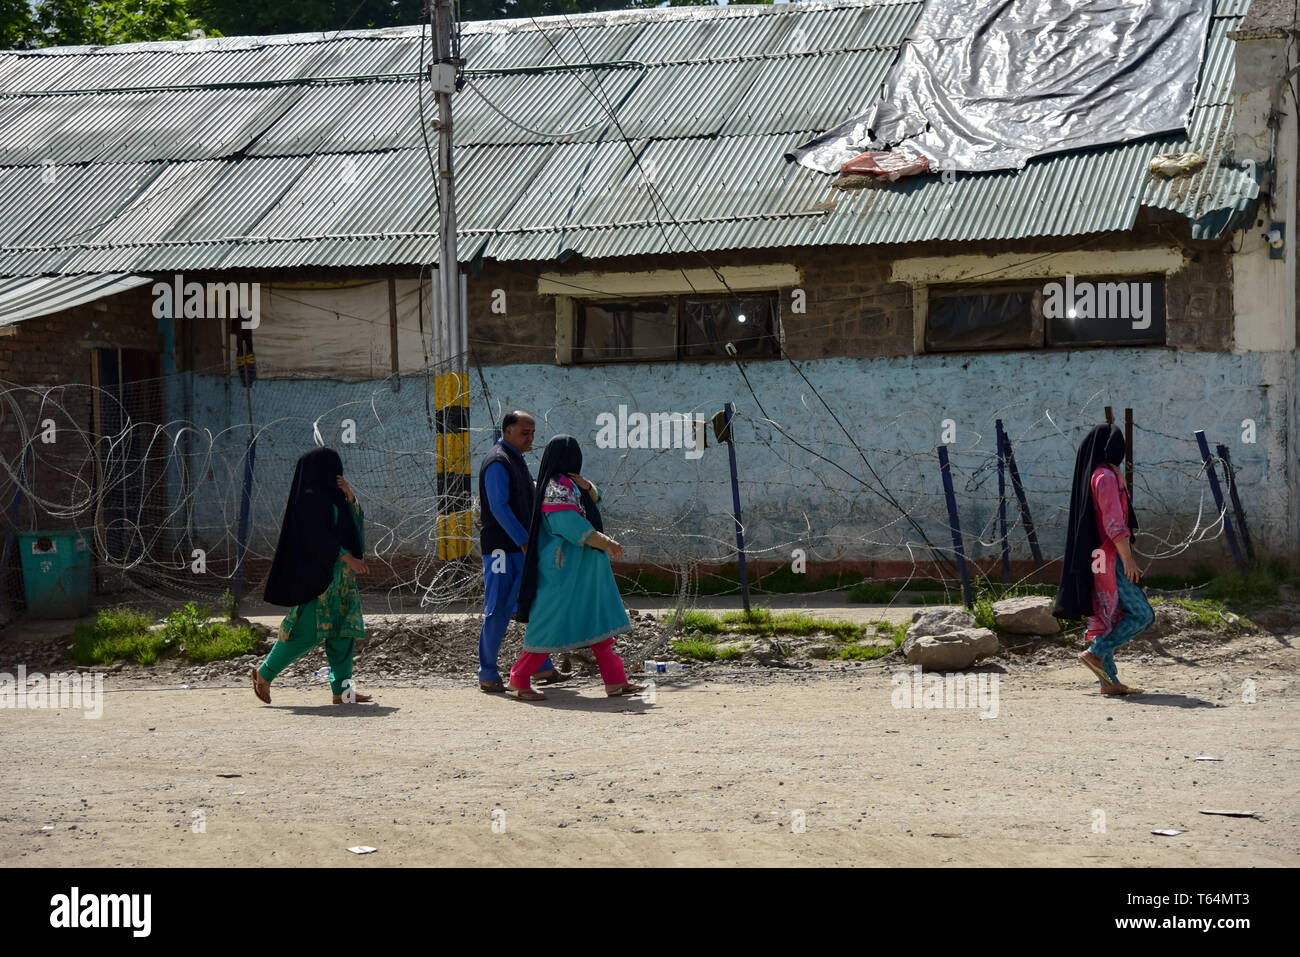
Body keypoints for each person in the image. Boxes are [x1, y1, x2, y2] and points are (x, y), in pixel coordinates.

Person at [506, 435, 644, 701]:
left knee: (598, 620)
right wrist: (605, 542)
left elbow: (593, 503)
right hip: (563, 570)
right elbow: (567, 524)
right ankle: (519, 680)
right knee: (550, 623)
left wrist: (588, 486)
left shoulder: (569, 484)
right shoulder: (555, 487)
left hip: (581, 570)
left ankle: (616, 681)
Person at [251, 447, 374, 705]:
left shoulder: (337, 498)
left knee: (343, 633)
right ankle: (264, 674)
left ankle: (342, 691)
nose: (338, 474)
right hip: (320, 578)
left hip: (343, 581)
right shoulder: (308, 499)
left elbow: (354, 526)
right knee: (305, 632)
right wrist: (346, 557)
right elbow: (317, 537)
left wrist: (350, 497)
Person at [1054, 424, 1154, 695]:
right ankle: (1095, 653)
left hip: (1097, 557)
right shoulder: (1106, 477)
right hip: (1111, 558)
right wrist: (1128, 560)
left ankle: (1108, 682)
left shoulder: (1099, 474)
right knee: (1143, 614)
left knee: (1107, 617)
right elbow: (1114, 523)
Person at [476, 411, 570, 693]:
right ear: (507, 431)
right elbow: (499, 507)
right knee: (499, 609)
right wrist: (524, 541)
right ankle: (487, 673)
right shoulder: (497, 461)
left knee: (535, 605)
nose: (530, 438)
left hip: (520, 549)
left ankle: (540, 667)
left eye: (532, 433)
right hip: (503, 550)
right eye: (524, 433)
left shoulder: (515, 459)